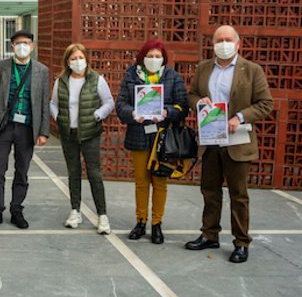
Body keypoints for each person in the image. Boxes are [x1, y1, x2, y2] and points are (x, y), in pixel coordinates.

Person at [185, 25, 273, 263]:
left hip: (237, 140)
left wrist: (240, 117)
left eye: (227, 40)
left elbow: (265, 103)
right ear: (213, 44)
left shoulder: (252, 70)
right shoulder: (204, 68)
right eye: (219, 40)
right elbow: (191, 94)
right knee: (210, 190)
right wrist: (198, 102)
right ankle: (209, 234)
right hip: (211, 139)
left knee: (239, 195)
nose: (223, 44)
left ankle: (241, 242)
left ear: (237, 44)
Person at [115, 39, 188, 244]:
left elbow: (183, 105)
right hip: (138, 134)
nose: (153, 60)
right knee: (141, 182)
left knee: (160, 181)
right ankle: (140, 221)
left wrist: (167, 112)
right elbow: (121, 104)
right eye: (150, 56)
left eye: (158, 56)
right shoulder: (131, 75)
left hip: (163, 137)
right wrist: (133, 113)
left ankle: (157, 223)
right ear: (142, 57)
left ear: (164, 58)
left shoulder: (172, 77)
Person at [0, 30, 50, 230]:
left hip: (27, 128)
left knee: (22, 171)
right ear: (12, 46)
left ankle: (16, 209)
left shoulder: (41, 71)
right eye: (18, 43)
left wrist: (43, 131)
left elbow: (44, 102)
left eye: (26, 43)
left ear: (33, 46)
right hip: (3, 126)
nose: (22, 47)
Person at [50, 43, 114, 234]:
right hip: (69, 133)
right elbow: (53, 103)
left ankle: (102, 215)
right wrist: (58, 116)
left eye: (80, 58)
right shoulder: (61, 81)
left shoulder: (97, 80)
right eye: (73, 59)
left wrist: (98, 114)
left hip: (90, 133)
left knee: (94, 173)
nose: (77, 62)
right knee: (73, 172)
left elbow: (109, 101)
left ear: (86, 59)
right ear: (67, 62)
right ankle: (75, 211)